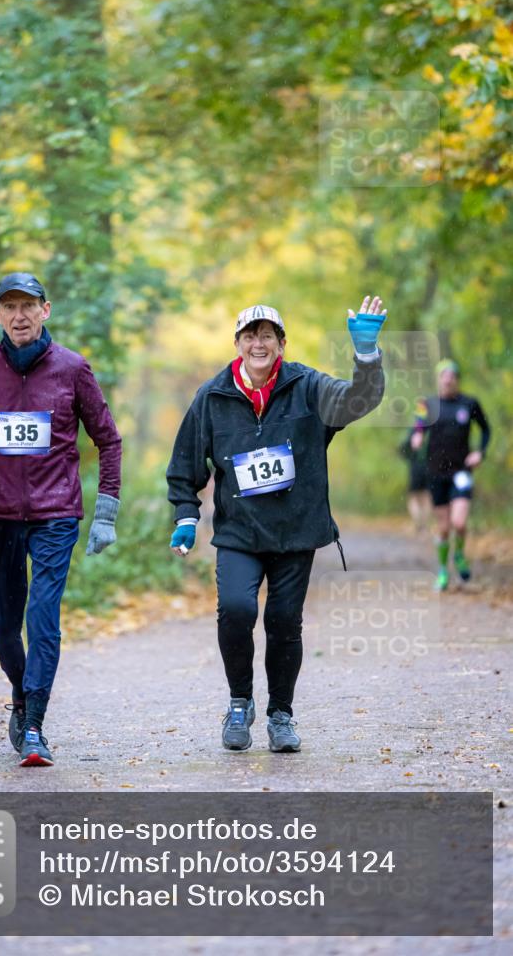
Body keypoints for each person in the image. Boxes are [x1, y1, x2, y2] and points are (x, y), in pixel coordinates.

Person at [166, 298, 386, 753]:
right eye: (250, 336)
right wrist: (186, 515)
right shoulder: (213, 396)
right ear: (237, 344)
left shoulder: (308, 386)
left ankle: (280, 715)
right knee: (236, 609)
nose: (259, 344)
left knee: (284, 621)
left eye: (267, 335)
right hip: (239, 532)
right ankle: (239, 703)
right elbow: (185, 464)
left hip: (295, 530)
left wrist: (366, 354)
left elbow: (357, 401)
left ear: (281, 344)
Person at [0, 273, 122, 767]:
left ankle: (34, 727)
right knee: (3, 625)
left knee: (42, 617)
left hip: (55, 513)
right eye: (10, 307)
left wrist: (106, 511)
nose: (19, 315)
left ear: (46, 310)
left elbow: (108, 440)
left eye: (28, 305)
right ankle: (22, 696)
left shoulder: (72, 368)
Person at [410, 359, 490, 591]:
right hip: (436, 473)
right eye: (444, 376)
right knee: (444, 528)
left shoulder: (469, 403)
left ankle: (460, 555)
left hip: (461, 471)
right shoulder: (426, 404)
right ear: (438, 379)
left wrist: (480, 452)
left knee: (459, 522)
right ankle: (444, 570)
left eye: (452, 376)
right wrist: (417, 436)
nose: (448, 380)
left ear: (457, 380)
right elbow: (418, 425)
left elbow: (486, 429)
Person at [398, 427, 431, 534]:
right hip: (430, 467)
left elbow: (404, 449)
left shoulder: (415, 430)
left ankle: (418, 524)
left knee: (413, 497)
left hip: (416, 467)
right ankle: (424, 526)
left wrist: (410, 455)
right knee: (426, 497)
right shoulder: (432, 429)